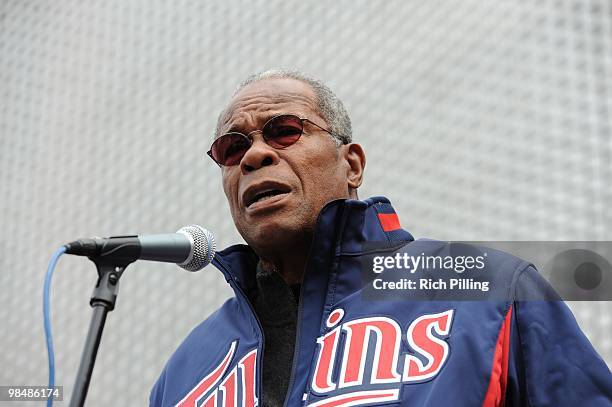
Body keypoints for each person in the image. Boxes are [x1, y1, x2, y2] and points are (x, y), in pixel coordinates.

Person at [150, 70, 612, 407]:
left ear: (352, 165)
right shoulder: (185, 373)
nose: (254, 155)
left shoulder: (490, 290)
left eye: (285, 131)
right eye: (232, 148)